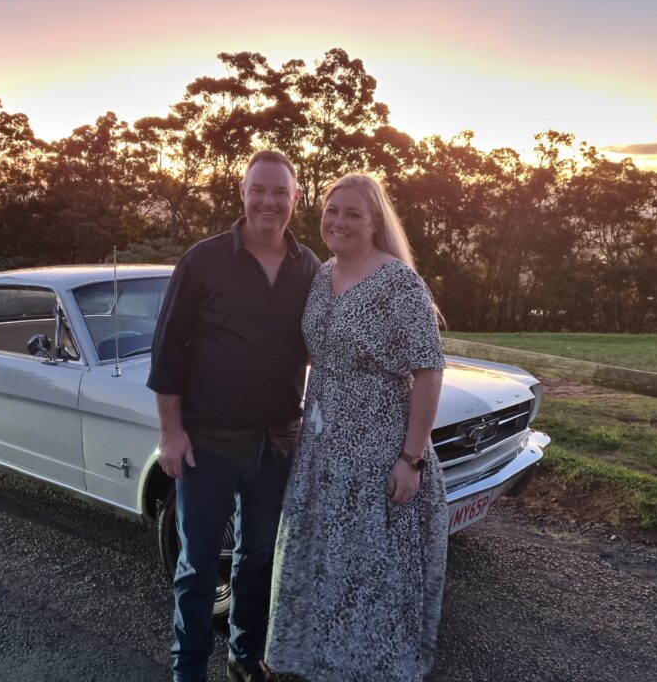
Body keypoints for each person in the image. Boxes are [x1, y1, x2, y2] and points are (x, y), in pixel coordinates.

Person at [265, 173, 447, 682]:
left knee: (370, 573)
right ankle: (316, 662)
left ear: (374, 222)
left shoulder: (398, 282)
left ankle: (366, 669)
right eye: (331, 210)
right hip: (322, 448)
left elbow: (429, 371)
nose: (338, 221)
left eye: (353, 213)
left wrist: (411, 458)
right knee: (321, 561)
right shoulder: (321, 275)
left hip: (378, 447)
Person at [147, 150, 320, 682]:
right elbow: (168, 351)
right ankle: (188, 670)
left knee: (259, 559)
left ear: (295, 199)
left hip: (277, 442)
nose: (268, 201)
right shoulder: (203, 261)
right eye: (258, 189)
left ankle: (245, 658)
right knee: (198, 565)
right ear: (242, 193)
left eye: (280, 192)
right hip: (209, 441)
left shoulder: (308, 267)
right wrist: (171, 433)